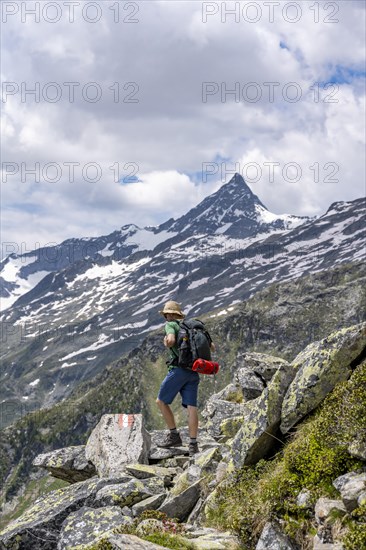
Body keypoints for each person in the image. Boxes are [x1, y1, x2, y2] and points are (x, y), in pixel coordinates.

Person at [156, 300, 214, 457]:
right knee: (192, 408)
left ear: (168, 314)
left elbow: (171, 341)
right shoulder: (190, 328)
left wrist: (166, 341)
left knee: (161, 402)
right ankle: (193, 445)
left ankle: (174, 435)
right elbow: (211, 346)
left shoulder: (171, 325)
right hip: (193, 371)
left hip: (178, 370)